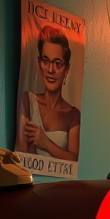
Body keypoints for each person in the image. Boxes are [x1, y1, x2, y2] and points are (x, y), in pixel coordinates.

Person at [16, 25, 80, 161]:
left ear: (66, 69)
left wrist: (46, 143)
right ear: (40, 63)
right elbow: (23, 153)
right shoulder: (28, 100)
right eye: (46, 61)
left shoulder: (73, 114)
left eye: (57, 63)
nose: (51, 69)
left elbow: (73, 159)